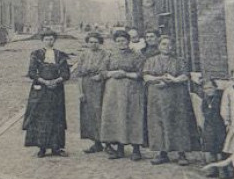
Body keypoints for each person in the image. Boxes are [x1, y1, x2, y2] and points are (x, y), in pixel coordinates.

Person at [143, 34, 197, 164]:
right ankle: (162, 152)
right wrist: (159, 78)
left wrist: (173, 80)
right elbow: (146, 76)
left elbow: (185, 76)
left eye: (170, 44)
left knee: (178, 121)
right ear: (159, 45)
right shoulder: (151, 60)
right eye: (164, 44)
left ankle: (181, 153)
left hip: (176, 95)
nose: (167, 47)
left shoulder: (179, 60)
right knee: (158, 122)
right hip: (157, 95)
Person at [98, 29, 146, 159]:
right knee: (117, 117)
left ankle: (136, 149)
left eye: (123, 41)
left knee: (133, 117)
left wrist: (125, 74)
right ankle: (120, 148)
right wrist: (112, 73)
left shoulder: (137, 55)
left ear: (128, 41)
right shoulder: (110, 55)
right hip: (113, 91)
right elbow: (102, 71)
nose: (121, 43)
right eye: (118, 41)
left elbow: (141, 73)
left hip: (132, 90)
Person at [23, 30, 71, 157]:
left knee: (57, 117)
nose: (49, 42)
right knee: (41, 117)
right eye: (46, 39)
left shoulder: (60, 55)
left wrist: (56, 81)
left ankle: (56, 147)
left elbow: (66, 73)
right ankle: (42, 147)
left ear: (54, 40)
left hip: (56, 90)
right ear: (42, 41)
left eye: (51, 39)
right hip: (41, 90)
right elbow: (32, 72)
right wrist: (44, 81)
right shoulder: (36, 54)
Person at [71, 30, 108, 154]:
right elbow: (79, 74)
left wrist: (101, 76)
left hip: (101, 86)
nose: (93, 44)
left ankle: (107, 142)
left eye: (96, 42)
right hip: (87, 86)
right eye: (91, 42)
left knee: (101, 113)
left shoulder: (105, 54)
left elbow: (106, 69)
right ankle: (96, 143)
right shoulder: (83, 55)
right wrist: (80, 92)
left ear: (100, 43)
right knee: (89, 114)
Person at [197, 78, 227, 174]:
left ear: (215, 87)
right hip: (209, 125)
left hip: (219, 125)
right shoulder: (205, 100)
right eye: (206, 88)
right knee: (210, 146)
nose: (208, 90)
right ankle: (212, 169)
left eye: (211, 87)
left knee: (220, 147)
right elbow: (203, 111)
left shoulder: (220, 98)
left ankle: (223, 170)